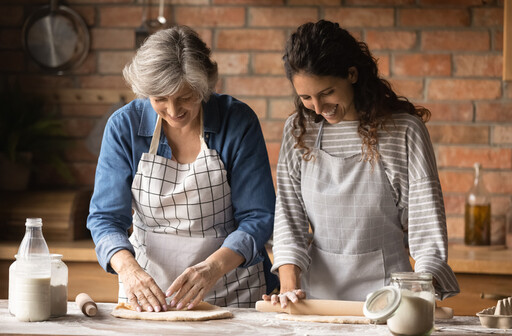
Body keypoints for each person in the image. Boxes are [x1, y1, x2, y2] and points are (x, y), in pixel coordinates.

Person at [265, 20, 459, 307]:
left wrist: (417, 300)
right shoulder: (298, 130)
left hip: (390, 300)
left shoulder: (404, 131)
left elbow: (426, 229)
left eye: (326, 93)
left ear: (352, 74)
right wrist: (289, 289)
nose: (318, 108)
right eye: (306, 97)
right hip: (316, 303)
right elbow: (289, 218)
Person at [87, 25, 277, 313]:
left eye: (186, 96)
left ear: (205, 88)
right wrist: (128, 269)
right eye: (160, 99)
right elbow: (105, 218)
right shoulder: (123, 126)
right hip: (146, 289)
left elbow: (258, 216)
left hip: (230, 284)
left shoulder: (237, 121)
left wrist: (213, 268)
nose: (174, 110)